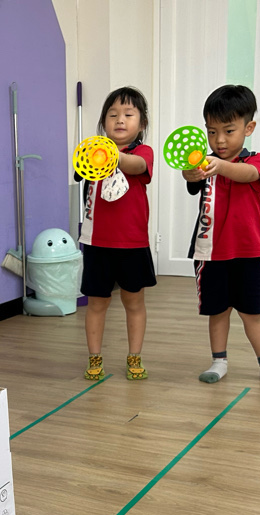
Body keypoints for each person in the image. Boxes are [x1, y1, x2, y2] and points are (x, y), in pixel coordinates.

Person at [183, 84, 260, 387]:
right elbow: (191, 181)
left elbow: (247, 175)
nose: (219, 140)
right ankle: (218, 361)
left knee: (252, 313)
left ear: (249, 128)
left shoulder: (256, 161)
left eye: (228, 131)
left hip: (249, 252)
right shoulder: (204, 164)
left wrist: (219, 166)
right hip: (210, 253)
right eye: (212, 132)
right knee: (218, 311)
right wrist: (190, 172)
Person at [77, 86, 155, 381]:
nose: (119, 120)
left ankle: (134, 358)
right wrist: (94, 153)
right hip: (96, 242)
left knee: (134, 303)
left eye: (128, 114)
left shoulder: (141, 152)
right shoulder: (92, 154)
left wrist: (108, 154)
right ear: (104, 122)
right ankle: (94, 358)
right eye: (112, 115)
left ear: (141, 124)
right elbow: (80, 174)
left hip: (132, 244)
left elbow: (137, 166)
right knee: (96, 303)